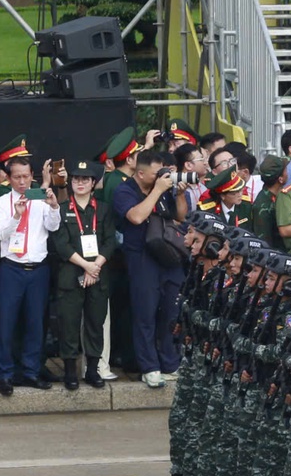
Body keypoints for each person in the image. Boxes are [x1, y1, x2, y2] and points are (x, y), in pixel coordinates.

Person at [112, 145, 189, 388]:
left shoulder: (165, 188)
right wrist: (157, 190)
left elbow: (181, 218)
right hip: (142, 258)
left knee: (170, 312)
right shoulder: (124, 190)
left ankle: (170, 363)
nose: (161, 177)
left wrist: (177, 194)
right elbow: (136, 217)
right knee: (145, 314)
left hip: (168, 255)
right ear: (141, 173)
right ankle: (149, 366)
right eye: (156, 174)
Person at [0, 147, 58, 393]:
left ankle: (30, 371)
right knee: (7, 322)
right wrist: (16, 217)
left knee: (35, 322)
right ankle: (5, 373)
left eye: (25, 176)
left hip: (38, 268)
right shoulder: (1, 202)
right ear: (9, 178)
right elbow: (0, 235)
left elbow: (53, 226)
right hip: (12, 269)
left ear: (33, 176)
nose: (21, 181)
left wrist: (53, 207)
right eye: (16, 177)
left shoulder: (40, 197)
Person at [49, 157, 114, 392]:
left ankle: (92, 370)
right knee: (69, 324)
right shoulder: (63, 209)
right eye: (76, 179)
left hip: (98, 276)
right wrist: (86, 266)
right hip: (71, 275)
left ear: (93, 182)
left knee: (95, 324)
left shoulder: (104, 209)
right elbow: (62, 245)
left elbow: (109, 242)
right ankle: (70, 372)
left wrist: (95, 266)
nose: (80, 183)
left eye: (85, 179)